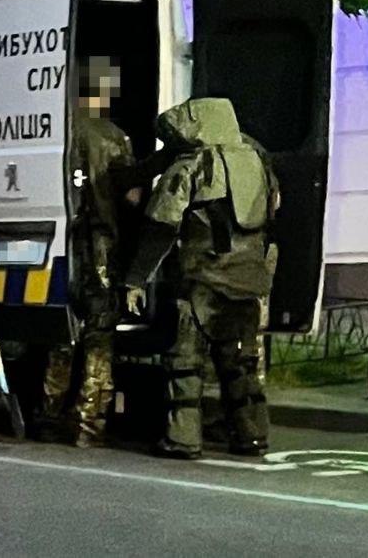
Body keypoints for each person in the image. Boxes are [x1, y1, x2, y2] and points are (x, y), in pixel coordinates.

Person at [123, 98, 279, 460]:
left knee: (185, 364)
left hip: (200, 281)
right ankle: (252, 436)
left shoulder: (191, 166)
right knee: (240, 364)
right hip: (248, 279)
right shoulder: (256, 160)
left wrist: (135, 280)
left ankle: (183, 439)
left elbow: (161, 226)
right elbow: (273, 209)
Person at [38, 56, 137, 447]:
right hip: (101, 246)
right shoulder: (113, 137)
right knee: (99, 336)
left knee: (60, 335)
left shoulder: (57, 130)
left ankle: (48, 415)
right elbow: (131, 195)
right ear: (106, 90)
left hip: (62, 242)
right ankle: (86, 422)